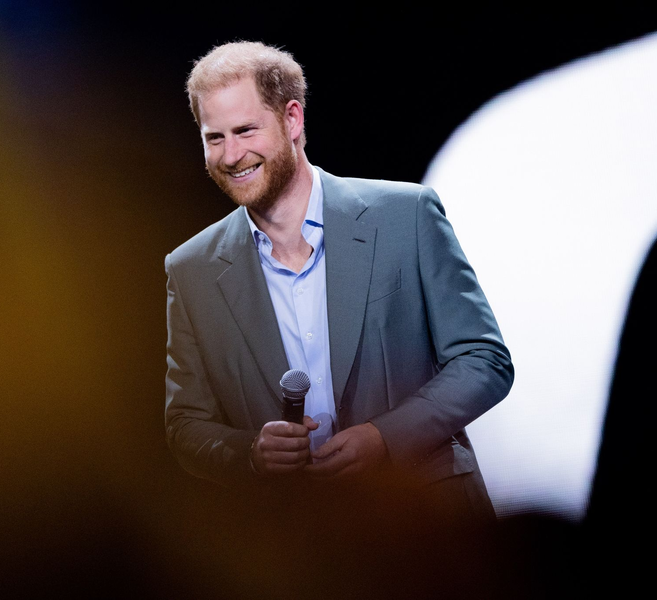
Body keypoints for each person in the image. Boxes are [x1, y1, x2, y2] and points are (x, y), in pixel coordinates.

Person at [164, 41, 513, 527]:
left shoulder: (405, 216)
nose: (231, 155)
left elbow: (485, 361)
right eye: (214, 137)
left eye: (245, 130)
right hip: (304, 551)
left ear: (292, 120)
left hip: (431, 528)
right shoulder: (191, 268)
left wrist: (384, 438)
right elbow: (185, 426)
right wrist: (250, 451)